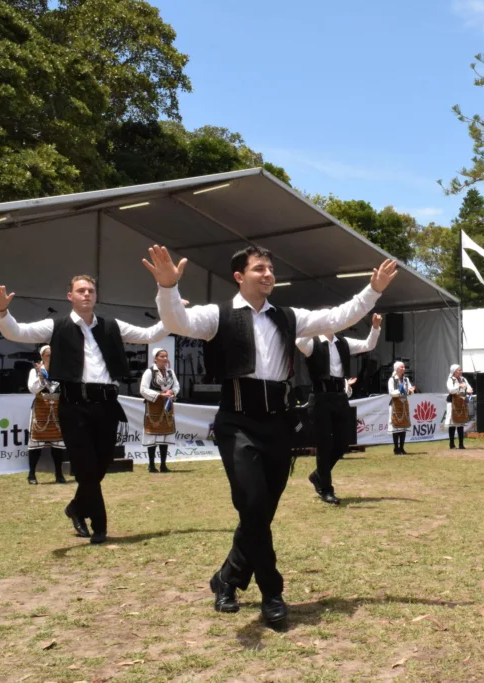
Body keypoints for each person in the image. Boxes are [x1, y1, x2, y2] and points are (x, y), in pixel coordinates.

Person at [143, 244, 396, 630]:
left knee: (259, 513)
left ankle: (226, 579)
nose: (268, 273)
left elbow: (339, 316)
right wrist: (167, 288)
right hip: (237, 423)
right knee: (253, 502)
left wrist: (372, 290)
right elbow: (177, 322)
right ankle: (271, 592)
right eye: (259, 268)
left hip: (279, 423)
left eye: (270, 268)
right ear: (239, 276)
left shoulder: (289, 317)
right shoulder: (218, 315)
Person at [0, 276, 167, 544]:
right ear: (69, 296)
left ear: (96, 296)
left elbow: (150, 334)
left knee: (101, 466)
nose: (86, 294)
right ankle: (100, 526)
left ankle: (75, 508)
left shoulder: (111, 326)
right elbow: (18, 332)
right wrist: (2, 311)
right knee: (85, 467)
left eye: (91, 291)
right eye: (80, 290)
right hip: (74, 405)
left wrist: (173, 314)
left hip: (106, 405)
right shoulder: (57, 326)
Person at [297, 313, 381, 505]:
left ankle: (318, 475)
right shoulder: (312, 343)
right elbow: (299, 341)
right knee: (324, 446)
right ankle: (326, 489)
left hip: (340, 397)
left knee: (343, 442)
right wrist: (311, 325)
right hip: (320, 397)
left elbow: (368, 344)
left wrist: (375, 327)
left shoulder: (343, 342)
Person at [26, 345, 67, 485]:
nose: (51, 358)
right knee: (36, 443)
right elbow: (32, 389)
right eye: (48, 355)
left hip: (57, 409)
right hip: (41, 408)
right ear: (42, 356)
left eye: (53, 355)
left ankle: (59, 474)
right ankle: (31, 474)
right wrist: (41, 378)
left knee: (58, 444)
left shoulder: (60, 371)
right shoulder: (35, 371)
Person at [140, 348, 179, 473]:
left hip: (167, 405)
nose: (165, 358)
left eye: (166, 356)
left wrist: (171, 391)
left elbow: (177, 386)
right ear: (155, 359)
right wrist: (159, 395)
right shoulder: (149, 372)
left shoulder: (170, 372)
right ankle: (151, 465)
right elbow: (143, 389)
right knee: (152, 435)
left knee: (165, 434)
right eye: (162, 356)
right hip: (154, 406)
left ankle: (163, 464)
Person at [388, 362, 415, 454]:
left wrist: (411, 391)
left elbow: (410, 390)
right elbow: (391, 392)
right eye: (401, 367)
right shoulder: (392, 380)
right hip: (395, 404)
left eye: (404, 367)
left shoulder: (406, 379)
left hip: (404, 404)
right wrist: (400, 391)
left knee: (403, 426)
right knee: (396, 427)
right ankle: (396, 448)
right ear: (396, 368)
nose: (403, 368)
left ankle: (402, 447)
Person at [445, 365, 473, 449]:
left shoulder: (464, 379)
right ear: (454, 371)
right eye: (459, 370)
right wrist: (459, 386)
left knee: (461, 423)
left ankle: (461, 444)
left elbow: (468, 387)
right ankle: (452, 444)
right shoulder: (451, 380)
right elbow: (451, 390)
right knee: (452, 423)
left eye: (461, 370)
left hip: (461, 402)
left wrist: (469, 390)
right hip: (453, 402)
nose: (461, 372)